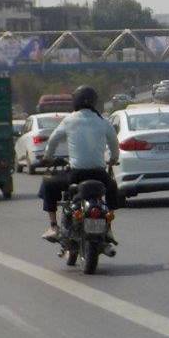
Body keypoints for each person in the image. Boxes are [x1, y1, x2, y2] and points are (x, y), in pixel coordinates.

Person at [38, 85, 120, 242]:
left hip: (76, 175)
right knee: (112, 187)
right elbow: (114, 144)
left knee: (48, 183)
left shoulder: (69, 120)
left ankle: (53, 226)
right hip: (99, 174)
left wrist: (48, 157)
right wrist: (114, 159)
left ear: (75, 101)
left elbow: (54, 140)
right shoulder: (103, 121)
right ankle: (108, 228)